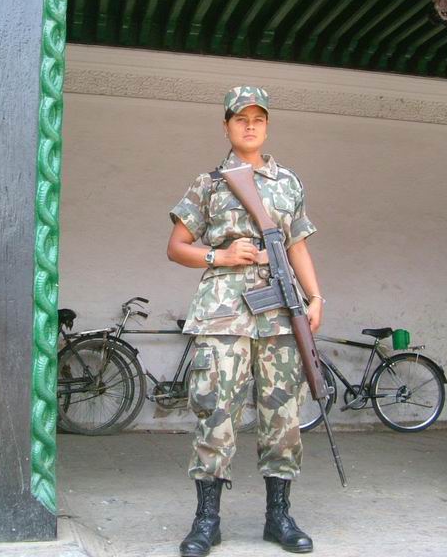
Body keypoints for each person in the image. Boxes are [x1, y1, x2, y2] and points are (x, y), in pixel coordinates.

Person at [167, 86, 324, 556]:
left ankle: (279, 517)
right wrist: (219, 255)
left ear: (267, 125)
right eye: (241, 118)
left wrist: (315, 297)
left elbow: (297, 246)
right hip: (223, 313)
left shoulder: (288, 183)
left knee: (283, 413)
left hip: (279, 311)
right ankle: (206, 521)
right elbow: (176, 247)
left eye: (258, 118)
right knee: (216, 411)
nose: (250, 125)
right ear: (226, 126)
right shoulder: (209, 184)